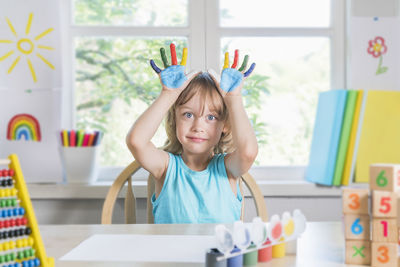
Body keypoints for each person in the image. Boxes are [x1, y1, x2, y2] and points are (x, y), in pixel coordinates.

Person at [126, 43, 258, 223]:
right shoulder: (165, 167)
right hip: (172, 252)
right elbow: (136, 141)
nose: (198, 126)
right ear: (175, 119)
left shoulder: (227, 169)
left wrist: (233, 99)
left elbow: (248, 152)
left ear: (225, 125)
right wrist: (169, 94)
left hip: (218, 252)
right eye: (188, 115)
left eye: (211, 117)